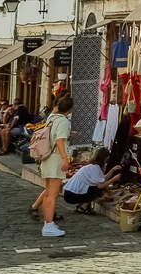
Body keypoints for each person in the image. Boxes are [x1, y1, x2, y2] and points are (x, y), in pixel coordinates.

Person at [30, 93, 73, 238]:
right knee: (52, 195)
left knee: (48, 193)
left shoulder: (51, 118)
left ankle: (48, 223)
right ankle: (48, 224)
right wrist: (65, 159)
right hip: (55, 159)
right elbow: (60, 141)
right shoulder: (64, 121)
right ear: (69, 109)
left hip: (47, 158)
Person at [62, 147, 122, 214]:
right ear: (104, 159)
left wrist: (113, 170)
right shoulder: (95, 168)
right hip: (71, 195)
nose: (107, 161)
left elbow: (102, 179)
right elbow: (100, 185)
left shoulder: (93, 166)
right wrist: (113, 179)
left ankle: (82, 205)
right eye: (107, 159)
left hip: (69, 193)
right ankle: (83, 207)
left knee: (95, 187)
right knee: (97, 189)